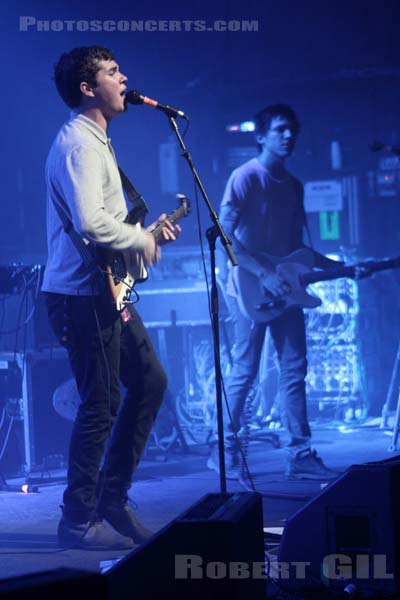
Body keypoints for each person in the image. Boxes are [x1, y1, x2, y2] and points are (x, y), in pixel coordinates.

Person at [42, 46, 181, 550]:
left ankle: (112, 500)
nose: (124, 79)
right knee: (100, 406)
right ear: (87, 87)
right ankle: (78, 519)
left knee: (148, 382)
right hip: (80, 297)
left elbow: (107, 231)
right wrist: (141, 240)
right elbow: (88, 222)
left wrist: (146, 237)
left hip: (102, 290)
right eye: (112, 72)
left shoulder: (97, 140)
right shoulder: (80, 144)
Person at [209, 104, 340, 480]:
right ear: (261, 136)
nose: (288, 136)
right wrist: (263, 274)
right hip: (249, 288)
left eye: (292, 130)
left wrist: (337, 268)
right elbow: (225, 237)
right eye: (280, 129)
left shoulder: (295, 186)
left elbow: (297, 248)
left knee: (294, 370)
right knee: (245, 370)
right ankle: (226, 450)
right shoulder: (245, 178)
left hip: (285, 291)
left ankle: (300, 453)